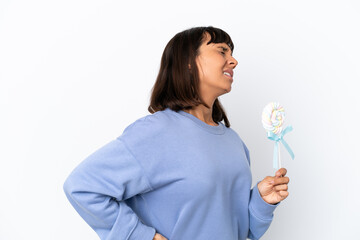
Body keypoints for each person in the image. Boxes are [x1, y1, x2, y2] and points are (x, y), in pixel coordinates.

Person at [63, 26, 290, 240]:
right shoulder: (156, 133)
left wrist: (262, 201)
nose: (233, 60)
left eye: (231, 53)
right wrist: (142, 236)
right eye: (221, 51)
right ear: (188, 62)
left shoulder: (234, 142)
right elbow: (82, 186)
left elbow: (244, 230)